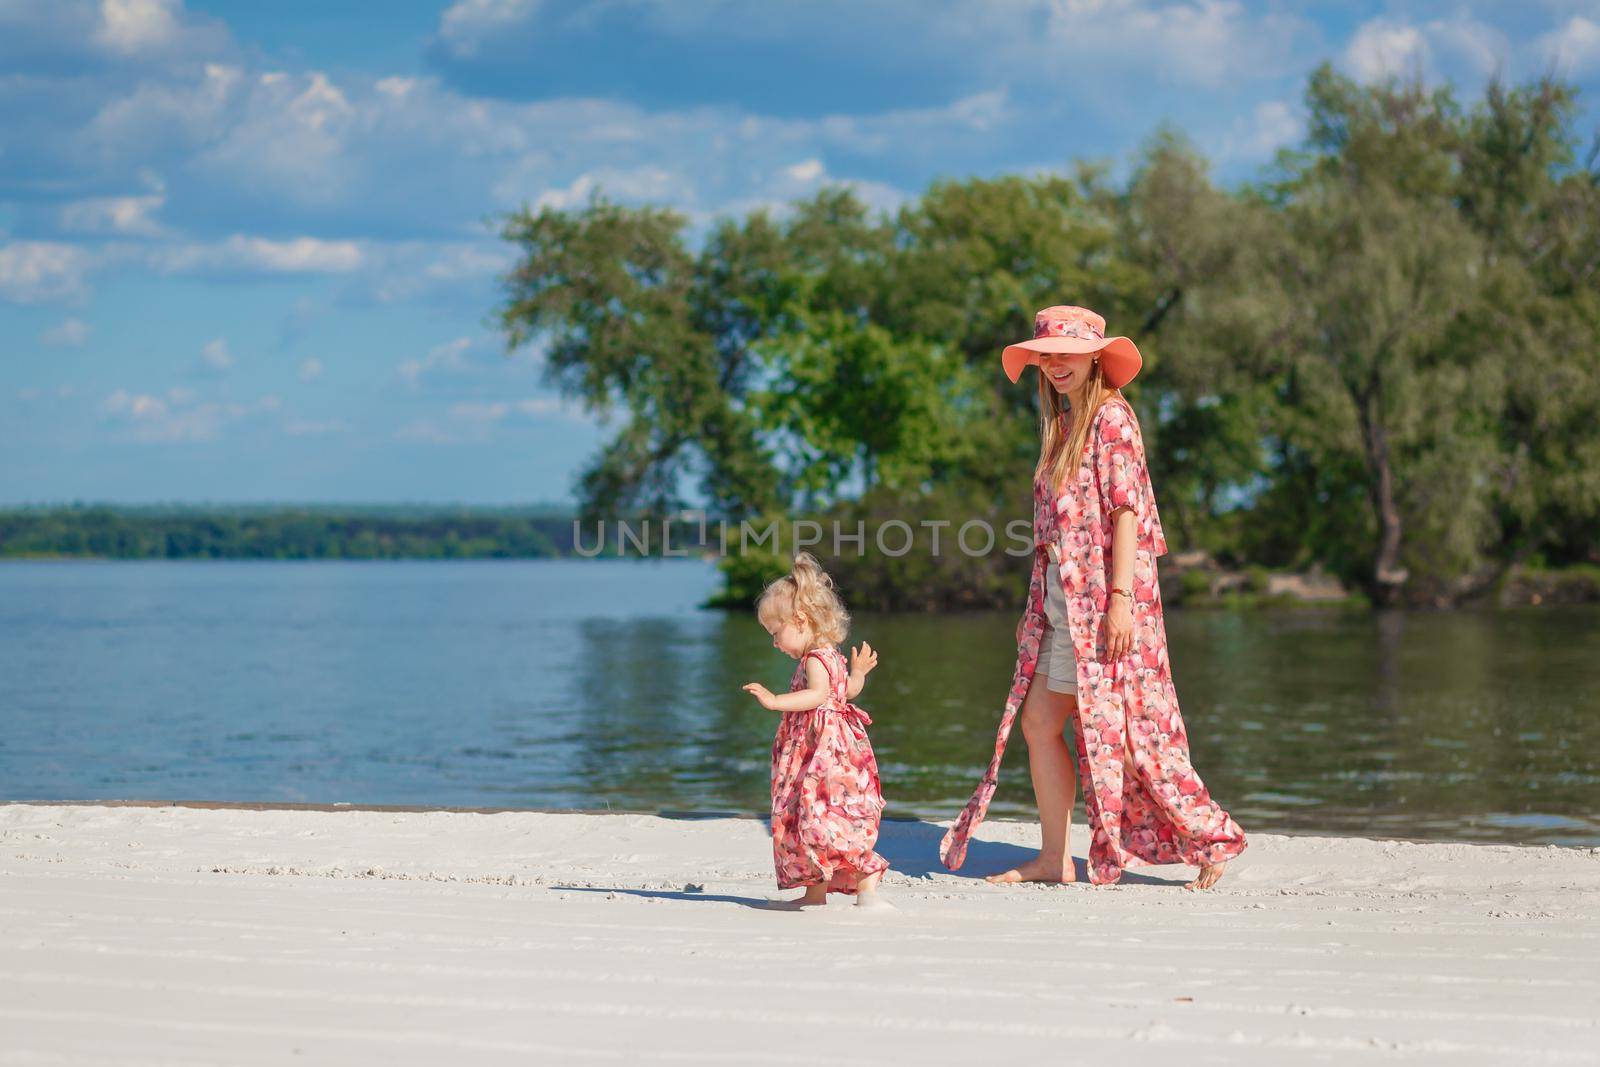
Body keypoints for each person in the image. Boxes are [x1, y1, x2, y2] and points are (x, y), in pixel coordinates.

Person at [940, 305, 1247, 890]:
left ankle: (1210, 836)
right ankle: (1054, 857)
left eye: (1068, 354)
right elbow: (1056, 532)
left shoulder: (1111, 420)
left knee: (1132, 730)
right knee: (1040, 721)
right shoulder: (1063, 425)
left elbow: (1127, 512)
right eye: (1047, 355)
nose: (1056, 365)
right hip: (1062, 605)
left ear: (1095, 358)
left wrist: (1121, 598)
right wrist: (1037, 610)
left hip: (1106, 602)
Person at [743, 552, 890, 908]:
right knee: (825, 813)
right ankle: (816, 892)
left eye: (777, 633)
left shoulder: (814, 659)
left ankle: (864, 881)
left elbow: (820, 694)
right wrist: (858, 675)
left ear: (801, 619)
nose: (775, 643)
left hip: (821, 756)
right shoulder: (832, 655)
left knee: (816, 813)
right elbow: (845, 692)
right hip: (837, 753)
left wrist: (776, 700)